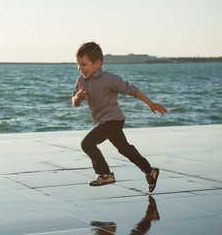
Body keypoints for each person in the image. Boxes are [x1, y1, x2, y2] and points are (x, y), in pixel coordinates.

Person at [71, 42, 168, 193]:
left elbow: (131, 90)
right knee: (124, 149)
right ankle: (150, 171)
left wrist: (151, 103)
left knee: (87, 144)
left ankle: (105, 174)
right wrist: (79, 96)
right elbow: (75, 103)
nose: (80, 68)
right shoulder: (81, 81)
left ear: (97, 64)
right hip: (103, 121)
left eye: (84, 64)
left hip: (114, 120)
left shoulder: (109, 78)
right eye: (78, 65)